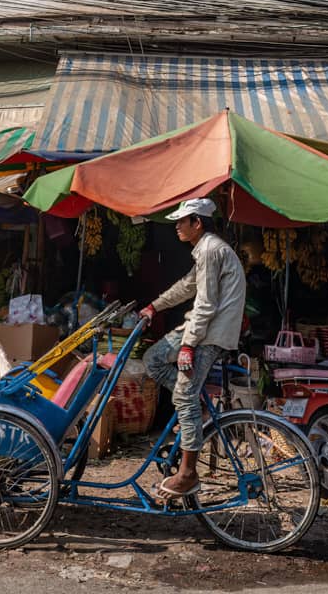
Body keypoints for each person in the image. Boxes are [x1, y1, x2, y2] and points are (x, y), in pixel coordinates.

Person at [140, 198, 246, 497]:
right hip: (202, 332)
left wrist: (187, 345)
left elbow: (206, 303)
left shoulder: (212, 250)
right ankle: (192, 406)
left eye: (182, 221)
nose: (177, 226)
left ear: (197, 223)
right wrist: (154, 306)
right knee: (154, 359)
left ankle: (187, 474)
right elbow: (188, 286)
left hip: (208, 336)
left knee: (184, 398)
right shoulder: (205, 251)